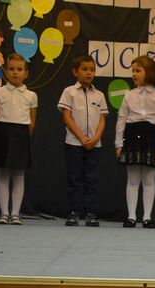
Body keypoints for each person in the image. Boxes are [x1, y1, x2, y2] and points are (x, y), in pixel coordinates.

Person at [115, 55, 155, 229]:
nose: (134, 74)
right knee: (132, 178)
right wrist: (119, 143)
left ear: (150, 72)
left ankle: (147, 217)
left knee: (149, 179)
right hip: (132, 135)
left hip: (151, 137)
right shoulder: (129, 95)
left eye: (138, 70)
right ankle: (131, 216)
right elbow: (121, 119)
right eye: (133, 71)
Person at [58, 55, 107, 227]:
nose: (89, 73)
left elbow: (102, 119)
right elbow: (67, 117)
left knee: (91, 180)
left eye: (92, 70)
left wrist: (95, 138)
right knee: (74, 179)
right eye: (85, 69)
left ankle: (90, 213)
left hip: (94, 144)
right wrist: (81, 137)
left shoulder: (99, 95)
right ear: (75, 72)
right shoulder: (69, 92)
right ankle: (74, 212)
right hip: (74, 143)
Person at [0, 53, 36, 225]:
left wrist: (22, 134)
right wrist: (2, 131)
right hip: (3, 131)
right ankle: (4, 213)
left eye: (19, 69)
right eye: (11, 69)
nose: (15, 72)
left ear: (26, 73)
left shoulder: (31, 95)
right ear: (6, 72)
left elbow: (32, 121)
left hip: (22, 133)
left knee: (19, 175)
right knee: (3, 174)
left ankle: (15, 213)